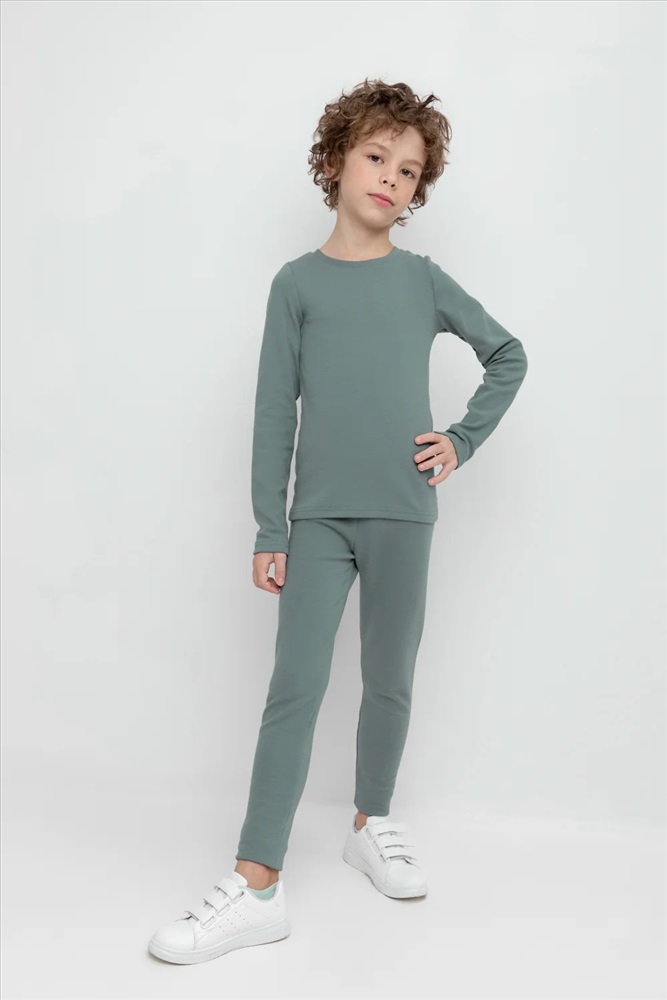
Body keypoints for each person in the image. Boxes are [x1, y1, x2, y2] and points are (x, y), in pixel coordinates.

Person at [148, 77, 528, 965]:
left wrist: (460, 440)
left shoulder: (422, 280)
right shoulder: (296, 284)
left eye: (409, 169)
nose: (390, 177)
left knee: (390, 679)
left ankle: (371, 823)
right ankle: (256, 884)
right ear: (334, 160)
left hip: (403, 511)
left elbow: (506, 354)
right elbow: (271, 412)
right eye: (375, 157)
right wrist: (268, 527)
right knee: (295, 688)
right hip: (316, 520)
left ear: (418, 188)